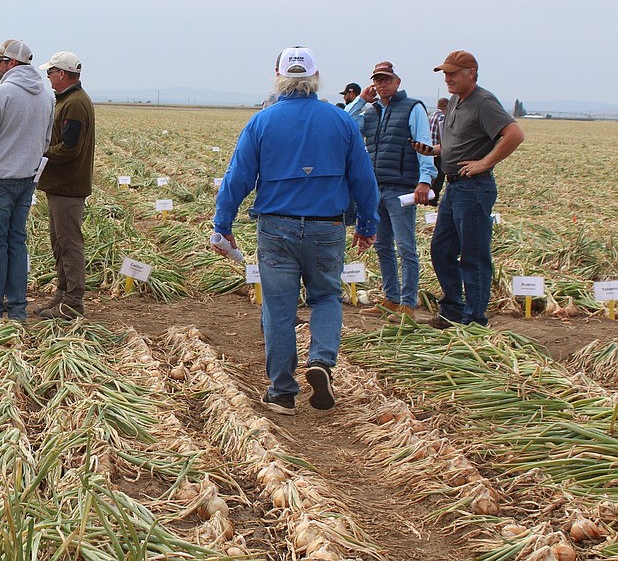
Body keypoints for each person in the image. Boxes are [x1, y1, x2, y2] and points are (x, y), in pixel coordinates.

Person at [212, 46, 378, 415]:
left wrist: (222, 225)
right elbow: (364, 179)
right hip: (328, 227)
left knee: (280, 306)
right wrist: (368, 225)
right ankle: (320, 360)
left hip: (276, 227)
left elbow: (237, 177)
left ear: (278, 76)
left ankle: (283, 391)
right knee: (326, 297)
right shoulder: (341, 121)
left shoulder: (262, 122)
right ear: (316, 78)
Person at [414, 51, 524, 329]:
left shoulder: (483, 102)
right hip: (453, 187)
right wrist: (435, 150)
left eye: (452, 73)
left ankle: (475, 320)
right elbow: (459, 142)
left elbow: (515, 134)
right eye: (445, 74)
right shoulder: (454, 101)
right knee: (441, 249)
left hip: (474, 188)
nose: (447, 78)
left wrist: (484, 163)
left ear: (471, 73)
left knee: (473, 255)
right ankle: (452, 309)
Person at [0, 39, 54, 336]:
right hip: (26, 180)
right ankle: (17, 310)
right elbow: (45, 140)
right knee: (17, 243)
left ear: (12, 64)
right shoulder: (47, 96)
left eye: (1, 62)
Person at [347, 61, 436, 318]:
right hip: (376, 189)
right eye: (377, 80)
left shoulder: (413, 108)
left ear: (398, 82)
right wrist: (361, 101)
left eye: (387, 79)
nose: (382, 84)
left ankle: (408, 303)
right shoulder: (371, 112)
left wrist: (425, 179)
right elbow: (346, 124)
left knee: (406, 247)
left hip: (401, 189)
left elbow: (423, 143)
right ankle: (390, 298)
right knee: (382, 246)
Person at [35, 51, 95, 320]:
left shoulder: (74, 103)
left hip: (68, 185)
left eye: (50, 72)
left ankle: (73, 302)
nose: (48, 76)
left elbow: (70, 147)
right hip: (60, 185)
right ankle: (63, 293)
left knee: (69, 243)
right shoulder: (68, 100)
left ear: (62, 73)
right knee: (59, 242)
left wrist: (40, 154)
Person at [428, 97, 449, 201]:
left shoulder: (431, 116)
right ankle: (433, 198)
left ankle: (427, 197)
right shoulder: (442, 118)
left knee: (430, 176)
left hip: (428, 151)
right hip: (439, 152)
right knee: (439, 177)